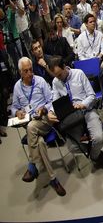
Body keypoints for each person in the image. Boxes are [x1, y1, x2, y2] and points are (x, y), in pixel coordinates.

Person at [10, 57, 66, 196]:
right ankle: (53, 178)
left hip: (45, 119)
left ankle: (32, 165)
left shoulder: (40, 81)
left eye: (31, 69)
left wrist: (43, 109)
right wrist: (17, 112)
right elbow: (13, 107)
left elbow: (51, 100)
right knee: (40, 143)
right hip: (29, 122)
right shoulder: (17, 87)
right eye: (26, 71)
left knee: (31, 128)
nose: (30, 73)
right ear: (20, 72)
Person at [47, 56, 103, 171]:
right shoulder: (56, 81)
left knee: (98, 138)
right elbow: (55, 101)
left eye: (60, 74)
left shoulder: (79, 74)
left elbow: (92, 96)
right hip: (72, 117)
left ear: (65, 67)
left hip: (87, 111)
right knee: (72, 147)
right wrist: (51, 111)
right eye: (56, 76)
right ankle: (96, 154)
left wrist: (83, 104)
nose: (58, 78)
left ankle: (94, 156)